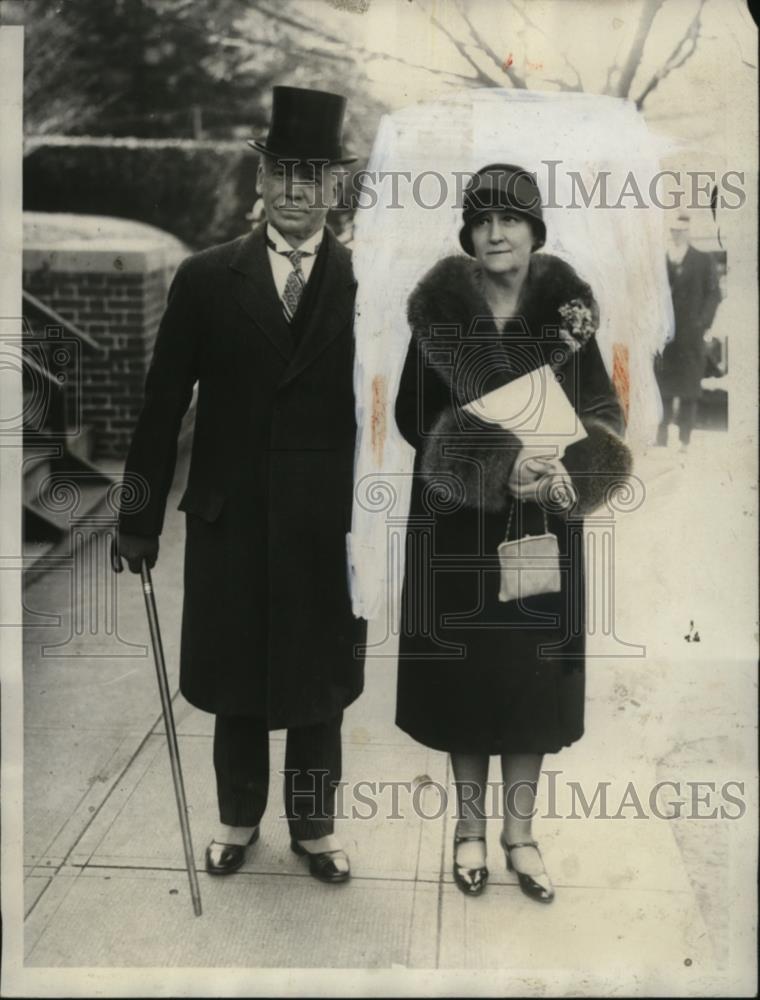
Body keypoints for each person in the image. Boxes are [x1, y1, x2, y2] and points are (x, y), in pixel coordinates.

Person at [116, 87, 366, 884]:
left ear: (334, 187)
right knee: (237, 679)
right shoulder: (205, 278)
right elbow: (162, 404)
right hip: (232, 516)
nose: (296, 189)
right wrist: (137, 517)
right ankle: (235, 822)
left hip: (328, 524)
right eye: (282, 172)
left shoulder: (368, 283)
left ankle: (317, 830)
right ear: (260, 182)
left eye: (313, 174)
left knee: (319, 679)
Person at [394, 164, 631, 902]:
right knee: (469, 675)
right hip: (458, 522)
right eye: (482, 221)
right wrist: (498, 465)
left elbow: (602, 412)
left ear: (534, 232)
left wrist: (572, 472)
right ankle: (468, 832)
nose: (495, 233)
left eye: (511, 220)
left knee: (530, 682)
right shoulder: (440, 317)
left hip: (540, 529)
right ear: (468, 234)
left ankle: (520, 837)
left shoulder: (569, 320)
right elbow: (411, 416)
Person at [655, 210, 721, 451]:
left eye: (682, 230)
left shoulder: (703, 260)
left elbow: (714, 294)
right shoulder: (662, 260)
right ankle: (660, 438)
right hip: (666, 336)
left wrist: (702, 322)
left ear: (688, 231)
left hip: (691, 336)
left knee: (688, 388)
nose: (677, 234)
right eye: (674, 230)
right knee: (662, 387)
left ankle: (685, 440)